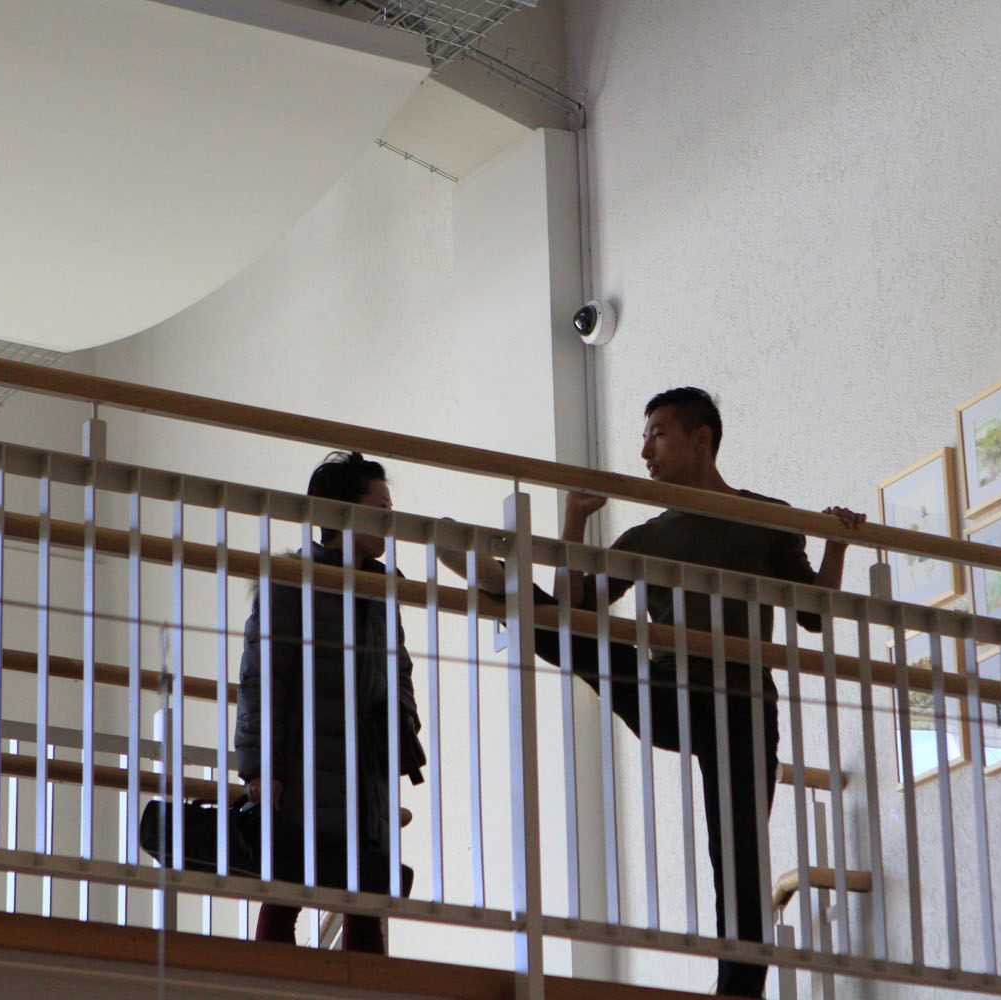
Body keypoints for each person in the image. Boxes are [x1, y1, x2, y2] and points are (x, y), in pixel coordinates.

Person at [449, 387, 863, 996]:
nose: (645, 450)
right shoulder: (646, 537)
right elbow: (572, 611)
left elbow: (815, 616)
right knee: (583, 636)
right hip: (668, 690)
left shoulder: (766, 518)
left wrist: (836, 544)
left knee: (740, 858)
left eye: (658, 434)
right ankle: (507, 588)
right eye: (644, 437)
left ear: (702, 438)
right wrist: (574, 520)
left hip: (744, 704)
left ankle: (739, 990)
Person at [234, 451, 427, 953]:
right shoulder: (290, 581)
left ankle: (366, 987)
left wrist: (402, 726)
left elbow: (399, 671)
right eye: (381, 508)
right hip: (304, 770)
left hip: (364, 773)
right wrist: (262, 768)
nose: (390, 521)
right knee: (287, 888)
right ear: (343, 511)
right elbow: (262, 681)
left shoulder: (382, 590)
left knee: (366, 899)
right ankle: (270, 982)